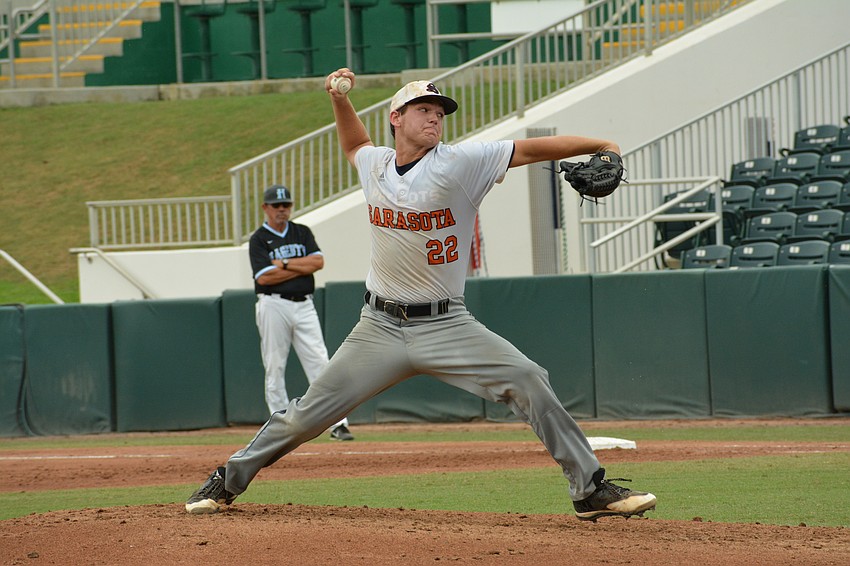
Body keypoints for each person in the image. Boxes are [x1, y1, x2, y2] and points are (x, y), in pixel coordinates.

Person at [186, 70, 657, 521]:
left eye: (439, 111)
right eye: (423, 109)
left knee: (529, 378)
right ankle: (229, 478)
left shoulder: (462, 162)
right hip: (379, 328)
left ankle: (590, 489)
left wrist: (604, 145)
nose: (435, 117)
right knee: (306, 416)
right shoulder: (375, 165)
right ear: (396, 118)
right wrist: (339, 99)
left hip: (447, 325)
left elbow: (533, 149)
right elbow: (354, 143)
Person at [249, 184, 353, 442]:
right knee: (274, 365)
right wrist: (300, 267)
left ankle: (337, 423)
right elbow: (264, 278)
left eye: (286, 205)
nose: (282, 209)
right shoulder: (259, 239)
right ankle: (278, 426)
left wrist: (282, 264)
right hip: (273, 304)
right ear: (265, 208)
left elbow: (317, 262)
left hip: (304, 303)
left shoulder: (301, 232)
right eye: (276, 205)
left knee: (321, 362)